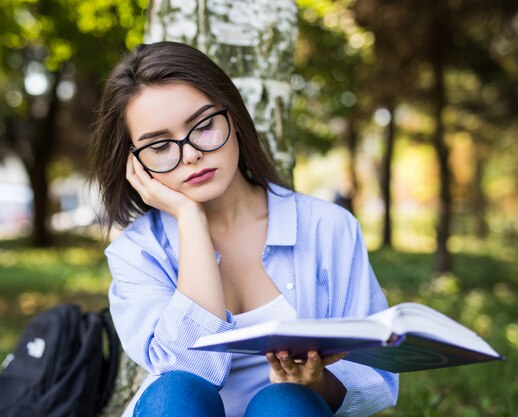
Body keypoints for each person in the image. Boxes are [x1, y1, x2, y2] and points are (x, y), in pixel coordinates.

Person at [90, 41, 398, 417]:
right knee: (174, 392)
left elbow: (377, 377)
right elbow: (186, 371)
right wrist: (189, 219)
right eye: (160, 146)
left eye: (203, 126)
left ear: (232, 117)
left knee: (287, 404)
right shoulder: (136, 253)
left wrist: (317, 383)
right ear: (137, 165)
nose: (189, 154)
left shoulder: (328, 227)